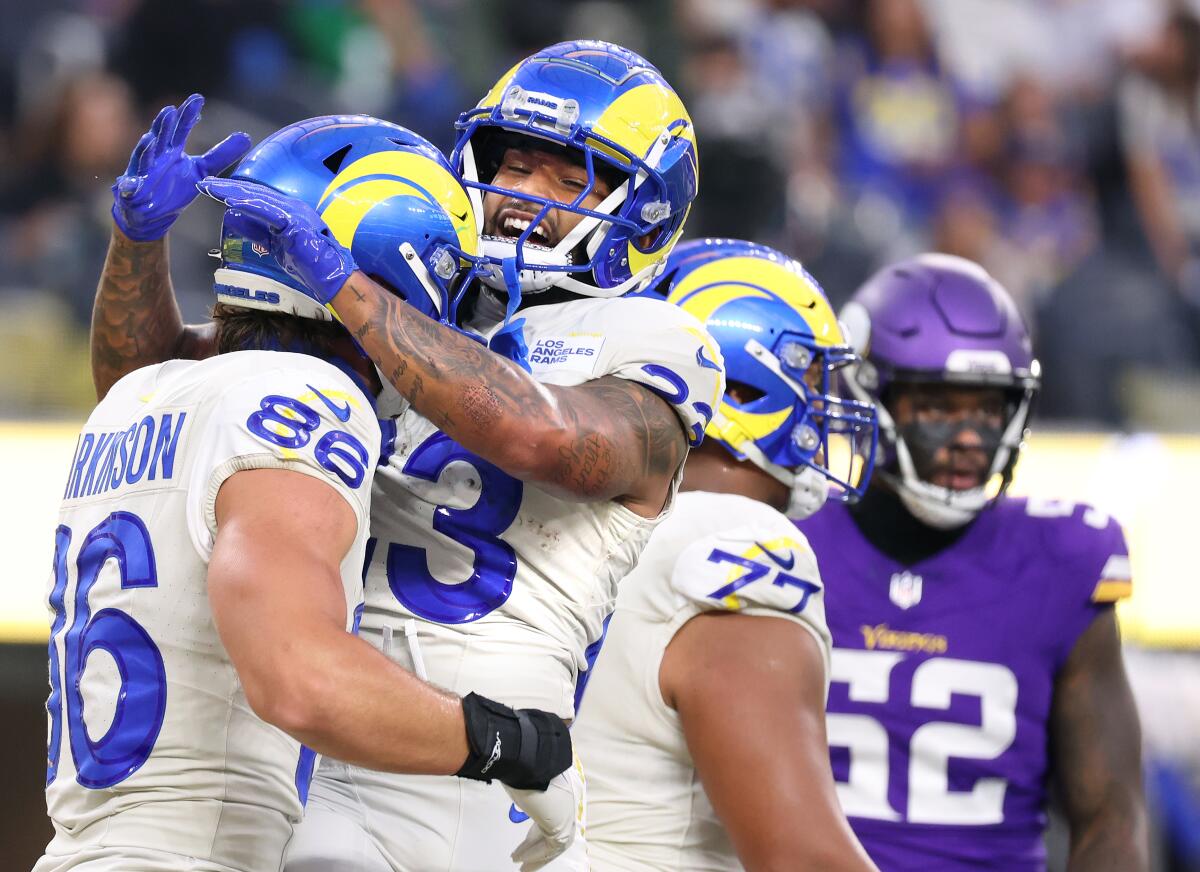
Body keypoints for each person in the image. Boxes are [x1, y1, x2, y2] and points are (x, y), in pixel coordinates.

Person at [92, 41, 722, 871]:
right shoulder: (416, 297)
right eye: (513, 164)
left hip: (479, 761)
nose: (521, 198)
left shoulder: (656, 338)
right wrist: (138, 243)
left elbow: (544, 437)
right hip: (331, 718)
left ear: (642, 210)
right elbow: (161, 387)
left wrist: (349, 287)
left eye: (570, 180)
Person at [38, 110, 574, 872]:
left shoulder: (141, 393)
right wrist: (505, 740)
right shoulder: (305, 396)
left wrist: (135, 243)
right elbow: (300, 677)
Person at [796, 253, 1148, 871]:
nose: (968, 437)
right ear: (869, 395)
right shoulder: (786, 534)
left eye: (987, 408)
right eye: (937, 406)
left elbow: (1111, 819)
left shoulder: (1062, 558)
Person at [566, 238, 880, 872]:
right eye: (813, 377)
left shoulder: (569, 512)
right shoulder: (734, 539)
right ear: (746, 385)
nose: (828, 407)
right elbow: (804, 860)